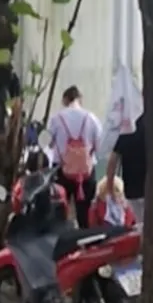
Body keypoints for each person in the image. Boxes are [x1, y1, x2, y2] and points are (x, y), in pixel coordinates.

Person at [48, 85, 102, 228]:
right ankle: (85, 245)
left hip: (61, 170)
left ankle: (63, 244)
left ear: (66, 99)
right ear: (80, 98)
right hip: (86, 173)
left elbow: (47, 142)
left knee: (60, 213)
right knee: (84, 215)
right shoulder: (91, 118)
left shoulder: (56, 119)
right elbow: (100, 146)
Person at [105, 115, 146, 222]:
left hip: (132, 189)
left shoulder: (127, 133)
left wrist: (110, 188)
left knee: (141, 224)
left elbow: (112, 160)